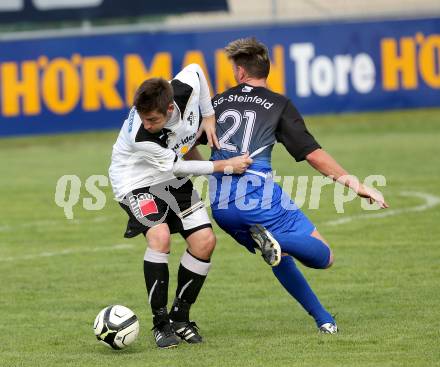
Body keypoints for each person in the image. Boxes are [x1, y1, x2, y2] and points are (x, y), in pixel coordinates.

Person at [208, 38, 388, 333]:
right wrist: (357, 185)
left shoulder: (216, 102)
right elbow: (313, 155)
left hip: (222, 207)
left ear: (240, 72)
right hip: (258, 197)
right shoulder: (278, 104)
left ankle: (324, 320)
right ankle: (279, 242)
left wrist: (210, 169)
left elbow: (187, 143)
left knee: (278, 256)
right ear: (266, 70)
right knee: (324, 256)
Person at [109, 63, 252, 348]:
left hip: (169, 177)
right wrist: (226, 166)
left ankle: (181, 318)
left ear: (170, 108)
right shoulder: (143, 136)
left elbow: (197, 69)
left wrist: (209, 116)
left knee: (204, 241)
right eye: (142, 117)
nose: (146, 123)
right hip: (135, 181)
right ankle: (161, 325)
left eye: (152, 119)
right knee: (159, 237)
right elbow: (179, 165)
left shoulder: (183, 89)